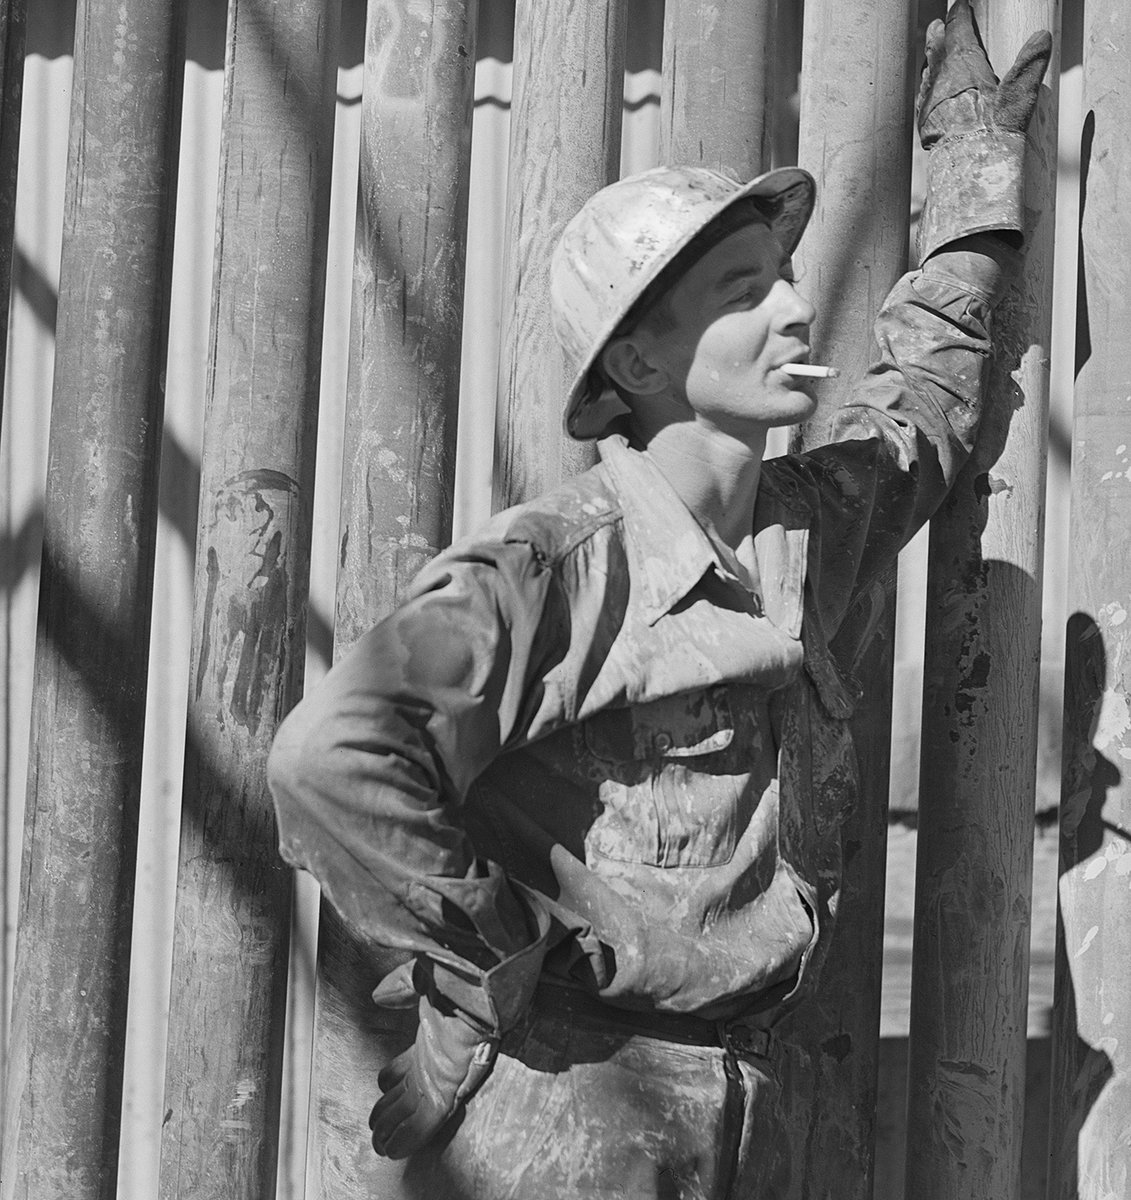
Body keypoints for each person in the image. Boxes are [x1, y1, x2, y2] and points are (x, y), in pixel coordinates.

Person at [267, 4, 1051, 1196]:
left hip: (757, 1113)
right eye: (746, 293)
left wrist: (978, 168)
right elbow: (328, 757)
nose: (793, 310)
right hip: (566, 1113)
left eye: (785, 277)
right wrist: (496, 956)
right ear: (634, 365)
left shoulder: (818, 524)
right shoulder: (553, 567)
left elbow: (933, 394)